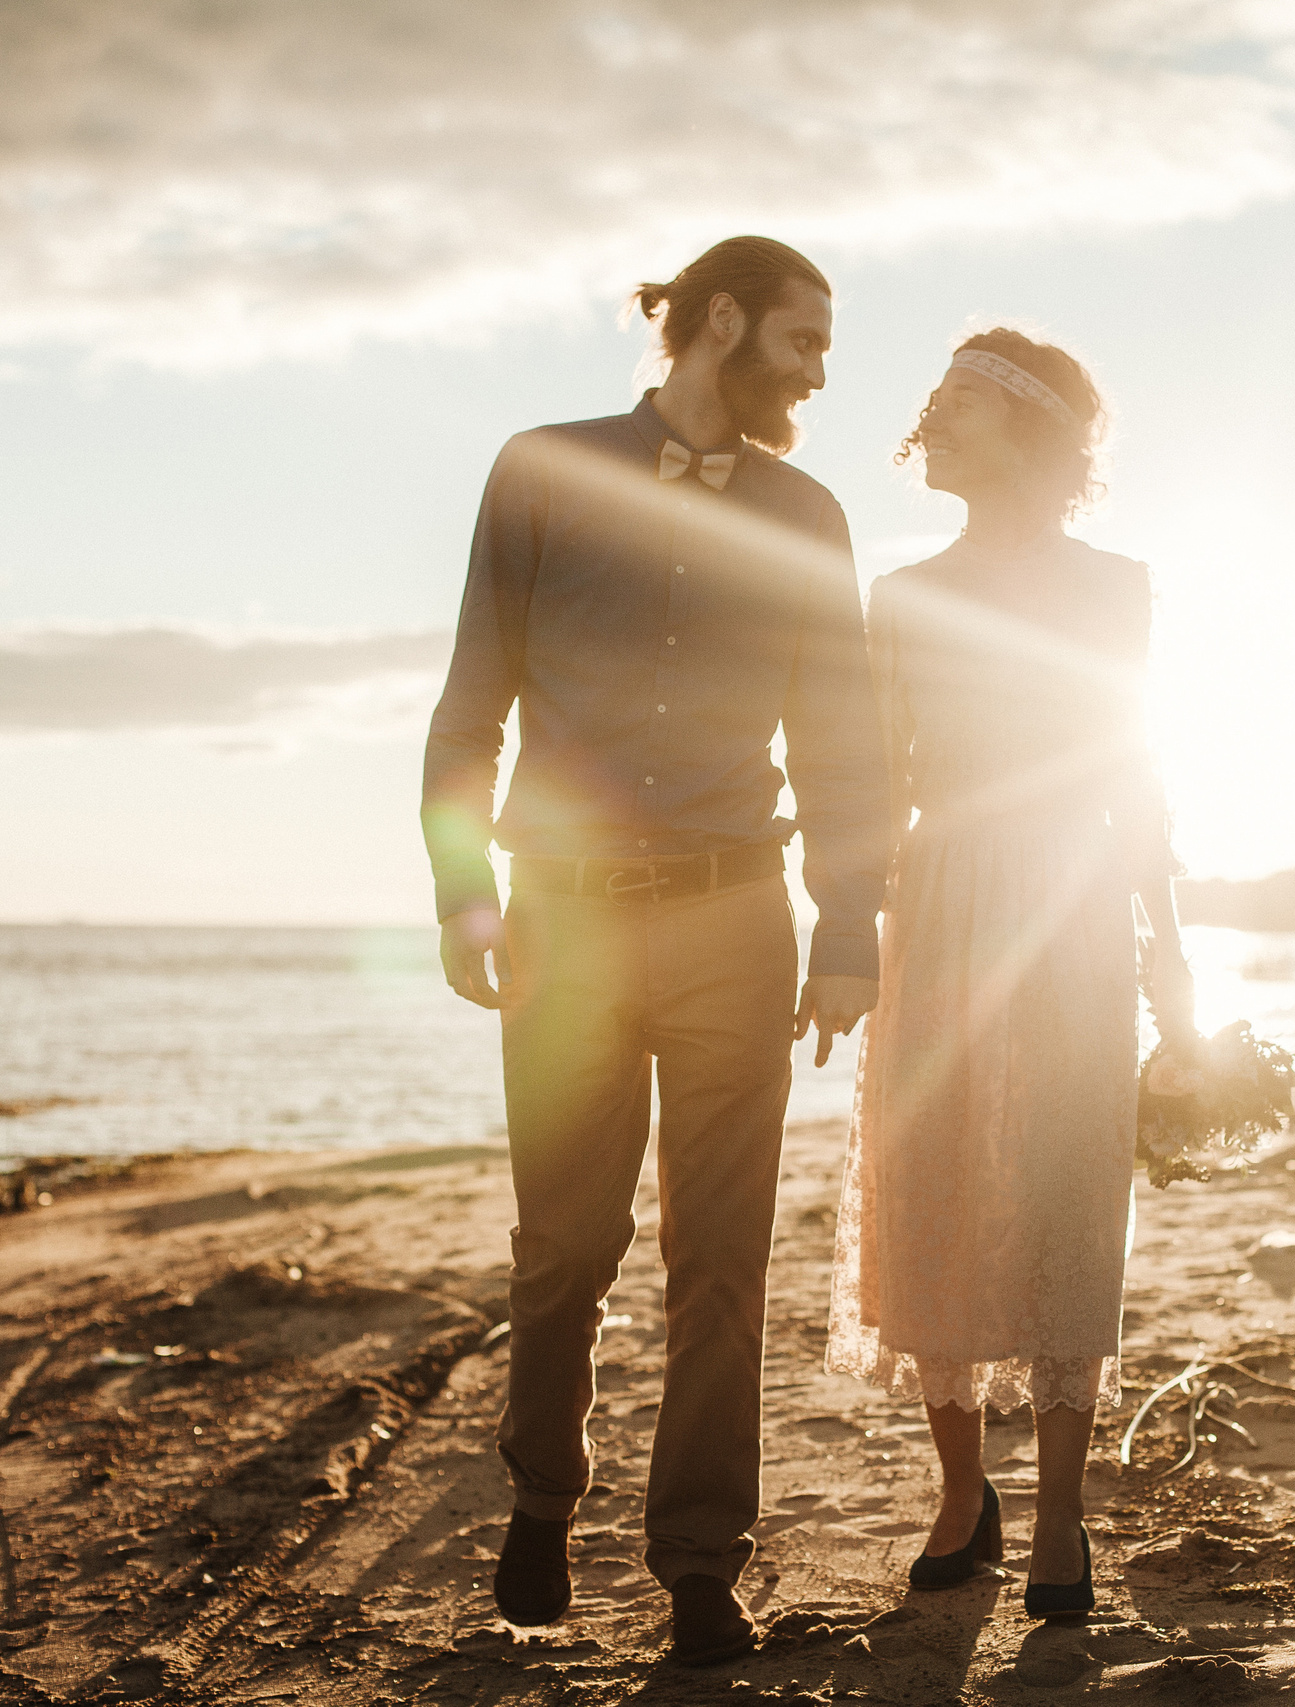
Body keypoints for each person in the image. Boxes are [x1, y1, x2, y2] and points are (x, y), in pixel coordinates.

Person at [421, 235, 888, 1666]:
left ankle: (699, 1568)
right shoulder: (541, 470)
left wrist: (850, 926)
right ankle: (544, 1495)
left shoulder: (809, 515)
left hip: (737, 921)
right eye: (804, 342)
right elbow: (469, 706)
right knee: (567, 1247)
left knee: (722, 1262)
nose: (820, 371)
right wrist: (461, 896)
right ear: (723, 322)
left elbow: (843, 739)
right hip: (559, 920)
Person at [824, 327, 1194, 1618]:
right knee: (933, 1183)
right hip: (937, 903)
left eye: (962, 403)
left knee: (1062, 1192)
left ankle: (1063, 1519)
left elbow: (1132, 774)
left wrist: (1176, 969)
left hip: (1072, 904)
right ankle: (961, 1492)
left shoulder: (1115, 589)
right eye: (933, 399)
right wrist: (840, 949)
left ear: (1033, 434)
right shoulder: (904, 598)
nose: (930, 420)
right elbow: (871, 787)